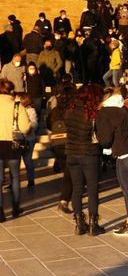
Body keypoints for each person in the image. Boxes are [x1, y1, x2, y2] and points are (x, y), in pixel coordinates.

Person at [95, 88, 128, 236]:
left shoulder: (104, 113)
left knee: (127, 190)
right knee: (127, 189)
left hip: (126, 153)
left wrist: (102, 144)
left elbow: (105, 139)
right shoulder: (123, 109)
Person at [65, 84, 105, 235]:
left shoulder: (70, 111)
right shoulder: (93, 114)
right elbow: (97, 136)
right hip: (89, 154)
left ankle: (79, 224)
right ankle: (93, 225)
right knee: (93, 189)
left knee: (77, 189)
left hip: (71, 154)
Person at [0, 79, 31, 221]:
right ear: (11, 91)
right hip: (13, 144)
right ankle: (15, 208)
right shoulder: (17, 106)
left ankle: (0, 212)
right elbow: (25, 127)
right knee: (15, 176)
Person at [48, 83, 74, 214]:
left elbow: (48, 125)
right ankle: (64, 200)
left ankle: (67, 198)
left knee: (67, 172)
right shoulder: (72, 110)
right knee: (69, 174)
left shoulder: (54, 111)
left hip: (56, 144)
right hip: (69, 143)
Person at [18, 93, 38, 188]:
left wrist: (28, 130)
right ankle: (14, 181)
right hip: (20, 138)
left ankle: (31, 180)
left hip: (28, 138)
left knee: (27, 159)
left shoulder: (31, 110)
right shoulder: (18, 109)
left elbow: (34, 123)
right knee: (17, 160)